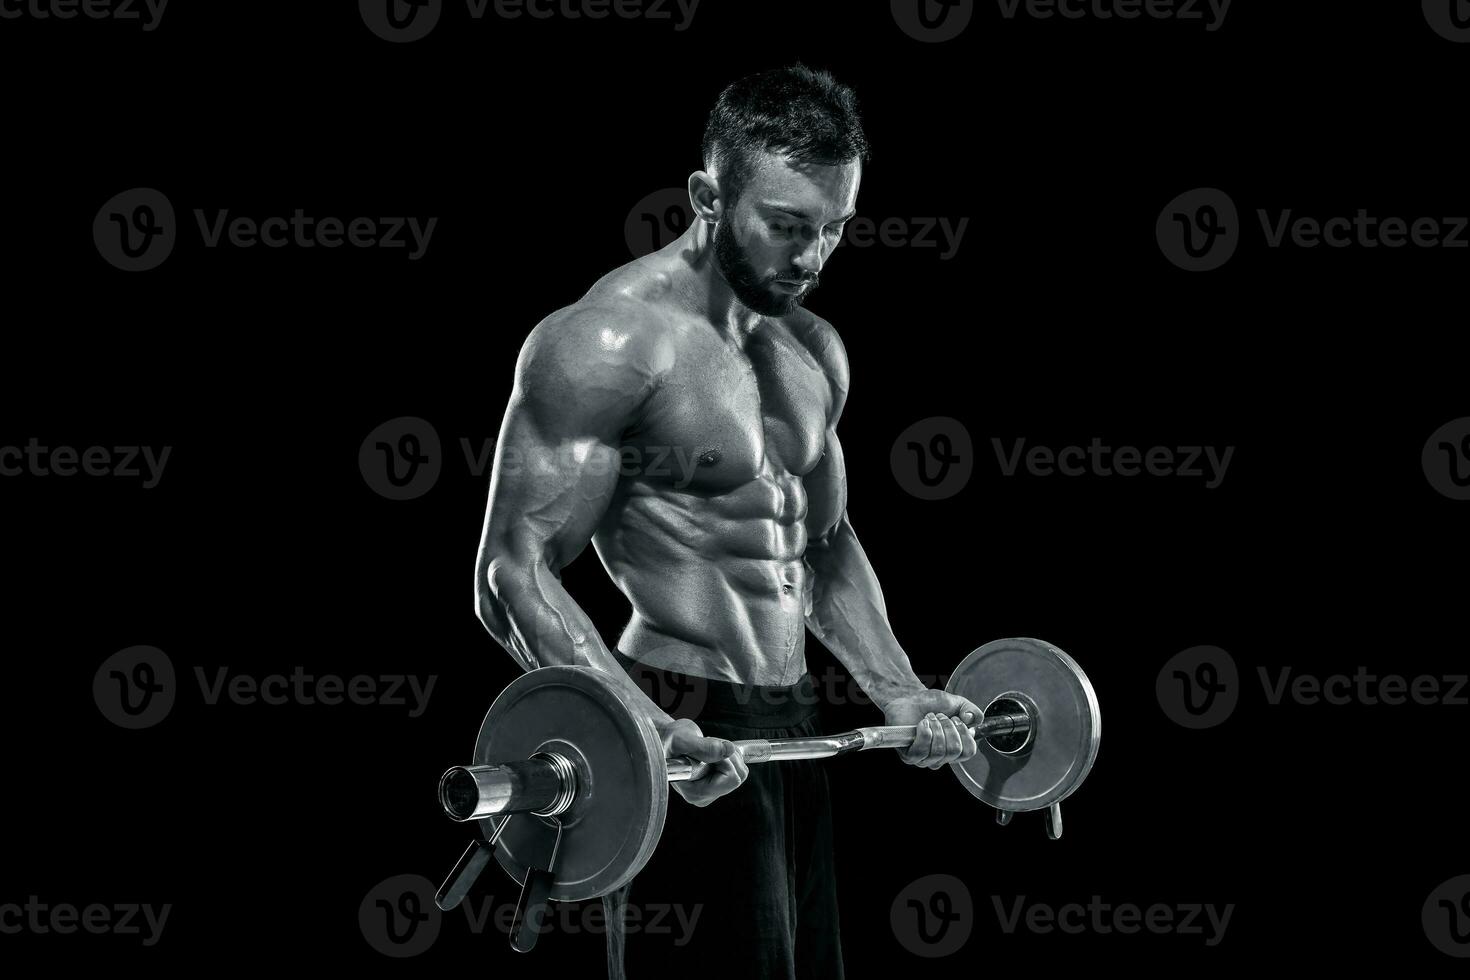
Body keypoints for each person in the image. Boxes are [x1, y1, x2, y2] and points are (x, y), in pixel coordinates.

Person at [473, 63, 984, 979]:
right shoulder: (608, 343)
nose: (813, 257)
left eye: (833, 230)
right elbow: (513, 573)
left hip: (791, 726)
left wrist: (899, 689)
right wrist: (640, 733)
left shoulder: (812, 350)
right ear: (709, 196)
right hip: (679, 716)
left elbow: (821, 542)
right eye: (787, 227)